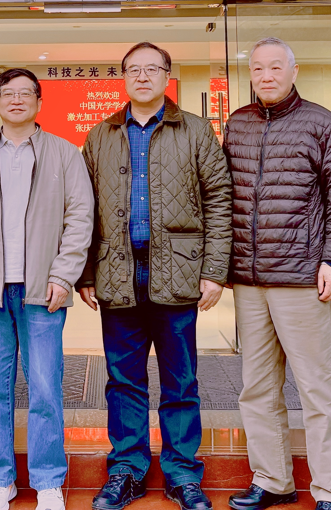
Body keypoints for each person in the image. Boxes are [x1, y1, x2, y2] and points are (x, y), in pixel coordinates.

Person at [77, 42, 232, 510]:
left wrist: (214, 271)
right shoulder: (101, 135)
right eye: (133, 70)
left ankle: (182, 474)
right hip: (118, 275)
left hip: (178, 274)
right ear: (123, 77)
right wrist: (86, 272)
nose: (142, 77)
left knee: (180, 382)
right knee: (123, 381)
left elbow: (219, 201)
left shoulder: (197, 130)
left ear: (167, 75)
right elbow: (83, 209)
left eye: (152, 69)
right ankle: (127, 470)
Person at [0, 68, 94, 510]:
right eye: (7, 93)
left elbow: (79, 218)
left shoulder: (64, 154)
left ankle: (47, 481)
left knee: (46, 388)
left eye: (25, 93)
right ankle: (0, 479)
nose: (16, 99)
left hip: (42, 291)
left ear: (39, 102)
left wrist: (63, 275)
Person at [221, 37, 331, 510]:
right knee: (257, 387)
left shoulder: (322, 123)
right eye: (258, 67)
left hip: (302, 276)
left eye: (276, 67)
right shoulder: (237, 123)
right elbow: (225, 198)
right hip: (249, 279)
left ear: (294, 71)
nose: (266, 75)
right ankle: (272, 480)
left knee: (317, 387)